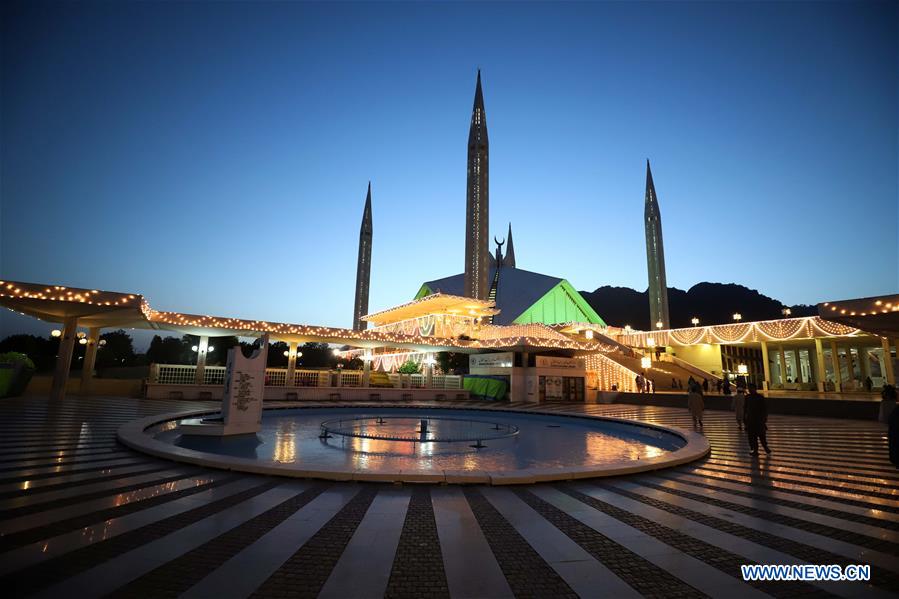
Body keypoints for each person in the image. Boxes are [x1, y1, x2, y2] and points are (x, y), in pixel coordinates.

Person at [744, 383, 770, 455]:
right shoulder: (748, 397)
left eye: (750, 388)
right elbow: (745, 409)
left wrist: (764, 418)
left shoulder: (759, 397)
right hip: (751, 420)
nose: (749, 390)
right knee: (753, 436)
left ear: (755, 389)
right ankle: (756, 449)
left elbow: (764, 408)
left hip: (758, 419)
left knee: (761, 435)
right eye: (749, 388)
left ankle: (765, 447)